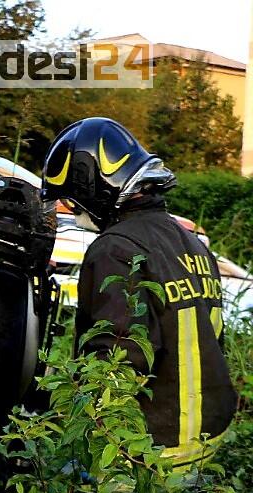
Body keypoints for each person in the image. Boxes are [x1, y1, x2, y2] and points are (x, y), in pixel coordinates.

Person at [41, 117, 236, 466]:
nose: (72, 211)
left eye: (71, 200)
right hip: (210, 435)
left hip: (155, 449)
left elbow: (115, 363)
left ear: (93, 188)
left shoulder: (115, 249)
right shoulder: (191, 242)